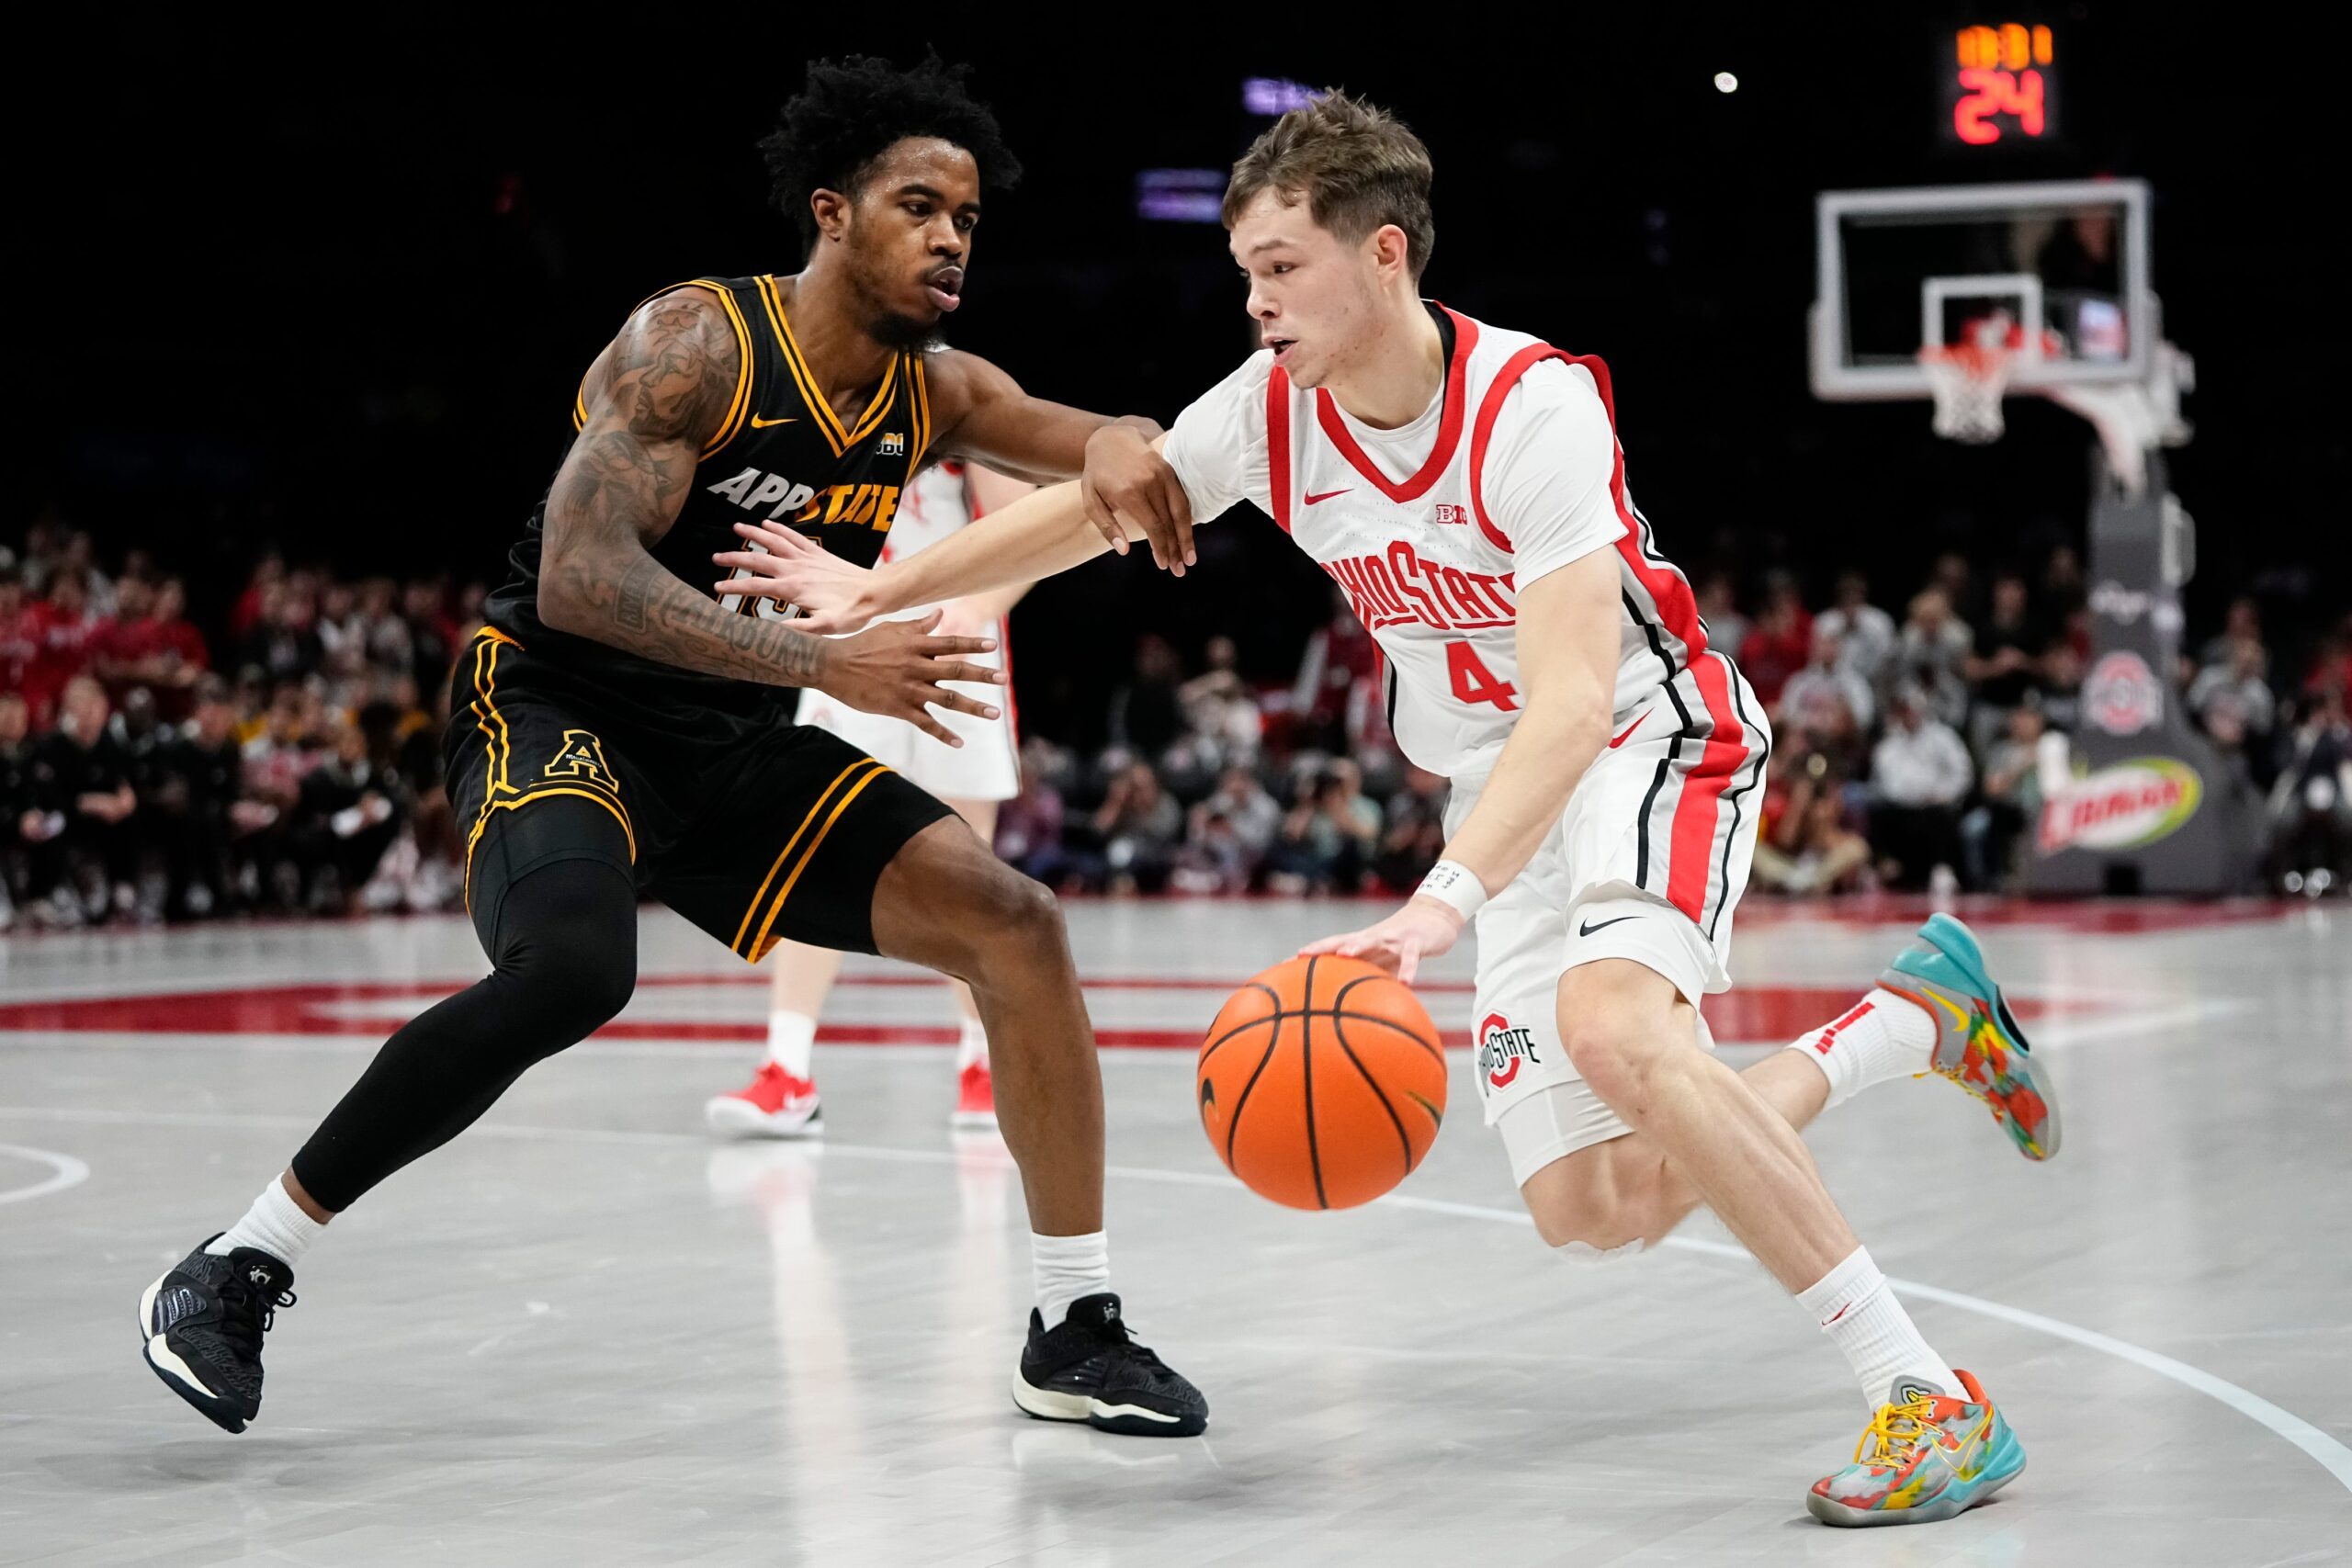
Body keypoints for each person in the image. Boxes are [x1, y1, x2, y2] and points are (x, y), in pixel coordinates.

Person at [732, 90, 2061, 1526]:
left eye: (1282, 268)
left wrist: (1446, 898)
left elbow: (1568, 705)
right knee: (1594, 1203)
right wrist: (884, 584)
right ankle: (1912, 1023)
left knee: (1621, 1025)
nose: (1255, 300)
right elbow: (1090, 514)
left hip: (1644, 736)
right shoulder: (1268, 415)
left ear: (1384, 256)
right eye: (1244, 271)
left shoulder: (1528, 407)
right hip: (1498, 776)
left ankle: (1927, 1394)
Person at [139, 53, 1205, 1444]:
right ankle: (236, 1260)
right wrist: (829, 659)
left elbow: (1084, 438)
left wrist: (1129, 443)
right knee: (578, 965)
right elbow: (583, 577)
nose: (951, 236)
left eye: (968, 218)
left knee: (1019, 923)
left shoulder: (936, 392)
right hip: (558, 699)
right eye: (918, 204)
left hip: (730, 741)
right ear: (831, 211)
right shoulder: (697, 344)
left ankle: (1076, 1323)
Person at [707, 458, 1034, 1138]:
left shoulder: (949, 380)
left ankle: (983, 1060)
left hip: (954, 644)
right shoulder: (820, 397)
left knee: (964, 869)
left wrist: (972, 608)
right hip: (846, 644)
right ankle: (786, 1069)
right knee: (813, 850)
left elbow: (1026, 527)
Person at [1869, 685, 1974, 890]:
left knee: (1941, 816)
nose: (1909, 715)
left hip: (1934, 803)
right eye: (1904, 710)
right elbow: (1883, 781)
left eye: (1912, 709)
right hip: (1901, 807)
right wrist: (1905, 796)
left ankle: (1942, 870)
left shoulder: (1943, 737)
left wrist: (1944, 794)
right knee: (1877, 811)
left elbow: (1963, 772)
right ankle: (1884, 867)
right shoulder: (1889, 744)